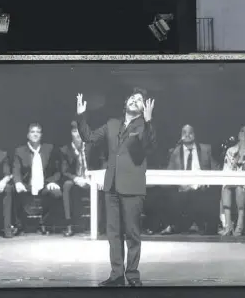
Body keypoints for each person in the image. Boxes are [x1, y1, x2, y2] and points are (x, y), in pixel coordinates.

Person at [75, 88, 156, 287]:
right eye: (132, 98)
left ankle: (133, 275)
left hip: (132, 187)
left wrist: (148, 120)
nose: (135, 101)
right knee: (113, 233)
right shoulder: (112, 124)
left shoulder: (143, 126)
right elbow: (89, 137)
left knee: (132, 233)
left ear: (144, 107)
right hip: (111, 186)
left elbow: (147, 144)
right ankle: (117, 274)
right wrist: (81, 116)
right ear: (126, 101)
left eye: (140, 100)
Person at [160, 124, 218, 235]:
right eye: (184, 133)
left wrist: (207, 183)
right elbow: (168, 173)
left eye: (190, 132)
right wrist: (178, 185)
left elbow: (215, 169)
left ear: (194, 135)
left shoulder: (206, 149)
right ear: (180, 136)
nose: (187, 135)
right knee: (169, 194)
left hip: (201, 187)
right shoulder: (175, 152)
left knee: (203, 195)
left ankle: (200, 225)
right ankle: (175, 225)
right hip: (182, 187)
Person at [12, 123, 62, 235]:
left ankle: (44, 223)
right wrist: (18, 182)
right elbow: (16, 169)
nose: (35, 134)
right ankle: (18, 224)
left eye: (38, 132)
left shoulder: (49, 149)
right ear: (28, 135)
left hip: (44, 185)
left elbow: (58, 170)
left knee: (56, 193)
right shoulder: (19, 151)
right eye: (32, 132)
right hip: (27, 185)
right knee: (12, 190)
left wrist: (52, 182)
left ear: (41, 135)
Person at [220, 124, 245, 236]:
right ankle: (228, 225)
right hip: (233, 179)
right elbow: (226, 169)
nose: (244, 133)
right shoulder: (230, 151)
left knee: (239, 189)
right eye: (242, 131)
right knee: (225, 188)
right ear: (238, 134)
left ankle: (239, 225)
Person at [60, 121, 92, 237]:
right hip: (76, 181)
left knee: (105, 185)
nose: (78, 134)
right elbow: (64, 171)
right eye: (74, 131)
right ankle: (69, 225)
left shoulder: (91, 146)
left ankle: (100, 226)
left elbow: (102, 163)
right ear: (71, 134)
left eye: (80, 131)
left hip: (91, 179)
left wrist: (93, 178)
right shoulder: (65, 150)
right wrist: (76, 179)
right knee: (67, 185)